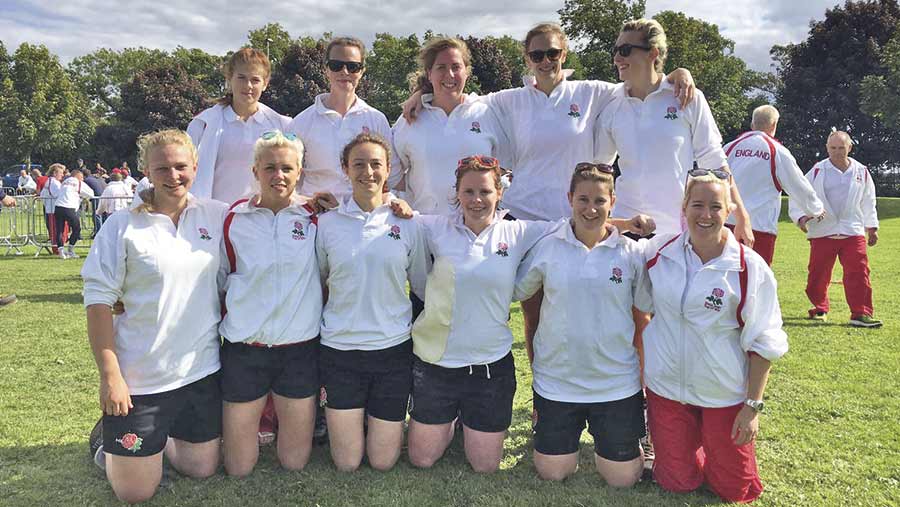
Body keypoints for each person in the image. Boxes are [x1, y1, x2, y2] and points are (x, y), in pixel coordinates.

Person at [403, 22, 690, 359]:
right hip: (526, 221)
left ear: (563, 53)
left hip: (580, 217)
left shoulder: (593, 91)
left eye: (552, 52)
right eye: (537, 54)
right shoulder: (508, 100)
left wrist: (677, 73)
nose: (545, 60)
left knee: (609, 308)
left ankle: (628, 387)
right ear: (527, 58)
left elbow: (639, 80)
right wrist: (420, 95)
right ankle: (543, 397)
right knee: (535, 314)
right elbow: (460, 97)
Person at [82, 129, 227, 503]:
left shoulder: (215, 215)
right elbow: (99, 302)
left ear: (195, 166)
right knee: (135, 493)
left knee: (202, 468)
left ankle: (154, 443)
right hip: (141, 381)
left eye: (181, 166)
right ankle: (107, 439)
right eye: (162, 167)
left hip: (200, 373)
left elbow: (269, 203)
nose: (173, 175)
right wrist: (110, 376)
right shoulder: (123, 226)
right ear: (145, 169)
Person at [642, 170, 788, 503]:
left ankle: (713, 446)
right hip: (667, 389)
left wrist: (751, 407)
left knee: (734, 490)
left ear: (730, 210)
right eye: (697, 205)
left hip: (723, 393)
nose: (705, 215)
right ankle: (687, 446)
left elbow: (764, 342)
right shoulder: (658, 253)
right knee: (676, 482)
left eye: (715, 207)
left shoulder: (750, 268)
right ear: (683, 207)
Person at [514, 163, 650, 486]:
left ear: (613, 202)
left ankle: (629, 441)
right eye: (583, 199)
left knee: (623, 479)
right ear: (570, 198)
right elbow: (517, 289)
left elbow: (647, 309)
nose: (591, 208)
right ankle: (551, 434)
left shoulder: (631, 253)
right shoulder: (547, 246)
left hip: (616, 384)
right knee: (552, 473)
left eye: (600, 201)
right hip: (558, 383)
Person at [315, 133, 427, 472]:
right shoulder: (327, 224)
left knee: (382, 462)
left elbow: (421, 284)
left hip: (392, 351)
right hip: (339, 351)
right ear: (345, 169)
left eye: (376, 164)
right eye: (358, 164)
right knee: (347, 464)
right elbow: (319, 280)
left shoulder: (408, 223)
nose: (368, 172)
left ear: (389, 169)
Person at [219, 130, 322, 476]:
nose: (278, 176)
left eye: (287, 169)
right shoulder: (232, 219)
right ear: (255, 171)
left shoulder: (316, 218)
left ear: (300, 173)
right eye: (270, 168)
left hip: (299, 349)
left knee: (294, 463)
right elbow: (216, 279)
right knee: (238, 468)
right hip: (245, 348)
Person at [596, 18, 753, 242]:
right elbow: (601, 170)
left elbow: (714, 161)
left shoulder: (687, 96)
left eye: (625, 50)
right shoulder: (612, 104)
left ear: (653, 53)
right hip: (625, 229)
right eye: (616, 50)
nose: (617, 58)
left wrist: (742, 217)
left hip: (676, 231)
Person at [393, 37, 510, 216]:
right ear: (429, 73)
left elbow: (506, 165)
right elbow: (393, 173)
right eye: (441, 67)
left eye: (456, 67)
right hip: (425, 230)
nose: (450, 74)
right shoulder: (410, 118)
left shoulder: (486, 112)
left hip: (476, 231)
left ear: (467, 72)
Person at [789, 131, 882, 327]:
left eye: (841, 148)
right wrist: (801, 218)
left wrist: (871, 228)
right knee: (817, 274)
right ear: (827, 148)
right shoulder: (816, 171)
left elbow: (868, 201)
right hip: (823, 230)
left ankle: (860, 313)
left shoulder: (861, 171)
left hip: (852, 229)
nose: (837, 152)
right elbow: (799, 193)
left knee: (859, 272)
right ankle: (820, 308)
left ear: (850, 147)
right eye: (833, 148)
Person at [287, 37, 393, 198]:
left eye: (353, 67)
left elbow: (392, 176)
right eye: (336, 66)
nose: (344, 72)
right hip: (316, 216)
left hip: (364, 216)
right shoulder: (301, 122)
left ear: (362, 71)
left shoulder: (377, 119)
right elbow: (288, 176)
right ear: (326, 69)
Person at [187, 48, 291, 204]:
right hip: (215, 220)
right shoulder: (203, 125)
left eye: (255, 80)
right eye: (241, 77)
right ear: (230, 78)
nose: (248, 85)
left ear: (265, 84)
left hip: (261, 219)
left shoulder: (282, 125)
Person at [724, 105, 824, 265]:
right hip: (759, 228)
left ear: (752, 124)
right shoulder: (777, 151)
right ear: (774, 125)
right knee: (756, 282)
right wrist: (817, 209)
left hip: (725, 224)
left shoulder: (729, 148)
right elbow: (798, 185)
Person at [54, 168, 95, 259]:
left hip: (58, 207)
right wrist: (82, 196)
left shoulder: (64, 182)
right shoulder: (79, 183)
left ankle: (61, 251)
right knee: (77, 229)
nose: (83, 179)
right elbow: (91, 193)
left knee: (59, 230)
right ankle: (70, 249)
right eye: (82, 177)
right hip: (69, 207)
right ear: (77, 176)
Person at [39, 164, 65, 254]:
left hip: (52, 209)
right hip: (53, 210)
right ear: (54, 173)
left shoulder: (50, 181)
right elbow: (58, 194)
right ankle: (57, 249)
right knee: (56, 230)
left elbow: (42, 195)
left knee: (55, 230)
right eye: (61, 173)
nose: (62, 175)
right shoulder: (53, 182)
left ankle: (57, 248)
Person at [84, 167, 108, 237]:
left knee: (97, 215)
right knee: (103, 215)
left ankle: (98, 233)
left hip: (97, 197)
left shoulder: (86, 180)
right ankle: (104, 231)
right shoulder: (95, 178)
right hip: (104, 196)